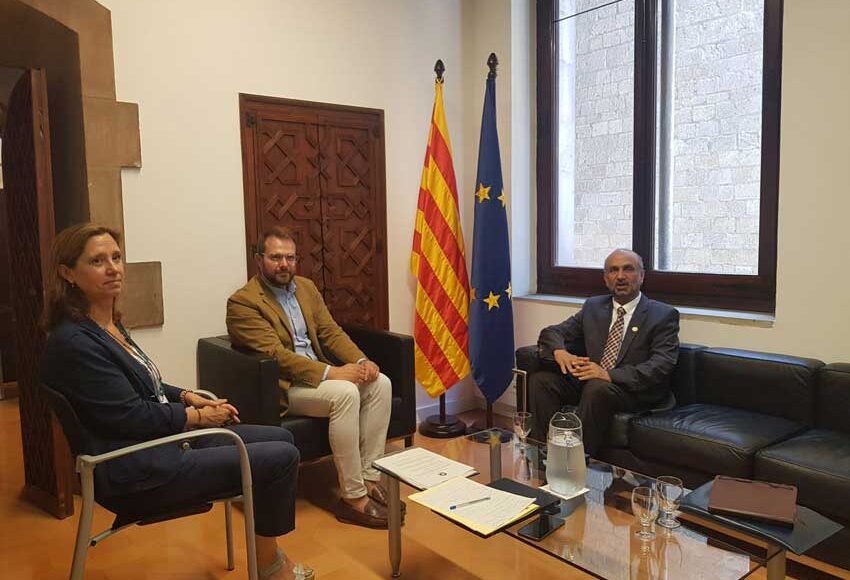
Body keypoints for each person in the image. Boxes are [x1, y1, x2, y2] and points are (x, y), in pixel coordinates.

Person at [40, 223, 309, 580]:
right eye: (97, 261)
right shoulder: (76, 343)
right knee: (281, 457)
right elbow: (133, 417)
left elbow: (145, 382)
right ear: (68, 273)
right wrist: (197, 416)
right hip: (135, 469)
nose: (113, 269)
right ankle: (269, 565)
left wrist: (185, 395)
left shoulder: (106, 325)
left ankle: (266, 557)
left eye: (116, 258)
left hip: (156, 443)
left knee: (282, 437)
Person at [227, 226, 394, 529]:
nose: (284, 264)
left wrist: (361, 361)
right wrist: (332, 372)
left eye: (290, 257)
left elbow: (330, 332)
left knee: (380, 383)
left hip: (319, 378)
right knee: (346, 393)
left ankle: (370, 479)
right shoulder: (243, 303)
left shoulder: (305, 287)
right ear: (259, 259)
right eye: (276, 257)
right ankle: (353, 498)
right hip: (285, 387)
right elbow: (276, 355)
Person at [529, 249, 679, 456]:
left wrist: (608, 374)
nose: (620, 276)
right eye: (613, 270)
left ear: (642, 276)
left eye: (628, 269)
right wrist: (559, 351)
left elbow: (661, 365)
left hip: (633, 391)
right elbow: (552, 332)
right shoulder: (594, 306)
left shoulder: (662, 314)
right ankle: (541, 455)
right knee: (542, 380)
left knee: (597, 387)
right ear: (606, 278)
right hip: (592, 384)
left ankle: (572, 460)